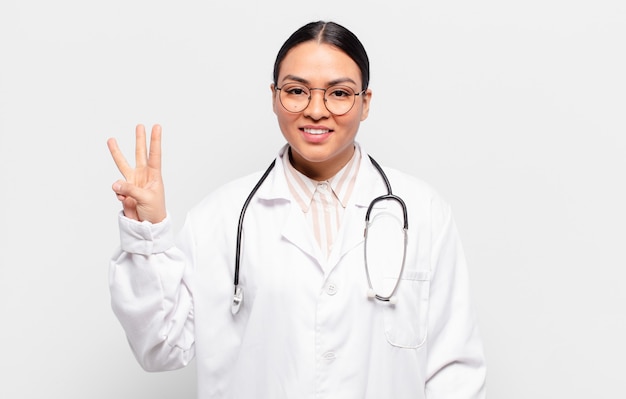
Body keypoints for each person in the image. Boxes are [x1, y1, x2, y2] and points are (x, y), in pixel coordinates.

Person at [107, 21, 486, 399]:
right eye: (296, 91)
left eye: (339, 93)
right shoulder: (220, 219)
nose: (316, 110)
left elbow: (455, 371)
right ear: (274, 97)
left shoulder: (422, 212)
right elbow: (161, 348)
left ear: (365, 103)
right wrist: (148, 233)